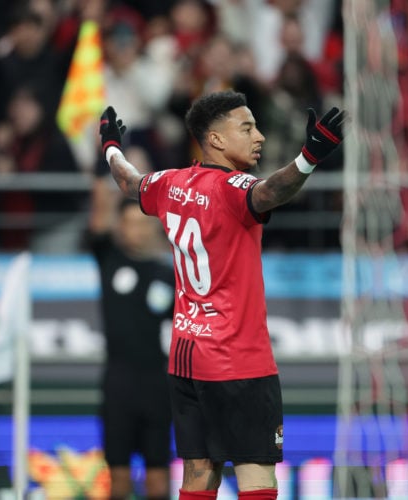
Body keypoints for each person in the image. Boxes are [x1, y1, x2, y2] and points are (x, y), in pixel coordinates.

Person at [98, 90, 346, 499]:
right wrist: (308, 158)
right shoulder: (233, 189)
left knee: (198, 474)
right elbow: (269, 193)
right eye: (247, 128)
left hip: (186, 357)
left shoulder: (169, 183)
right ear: (214, 139)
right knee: (256, 478)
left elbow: (127, 180)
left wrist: (109, 147)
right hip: (239, 360)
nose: (260, 136)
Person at [89, 149, 176, 500]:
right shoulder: (109, 260)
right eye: (129, 223)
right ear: (120, 227)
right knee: (119, 479)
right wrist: (109, 153)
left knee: (157, 479)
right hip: (118, 383)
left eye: (143, 223)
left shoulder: (168, 275)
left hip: (158, 384)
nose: (136, 230)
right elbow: (98, 215)